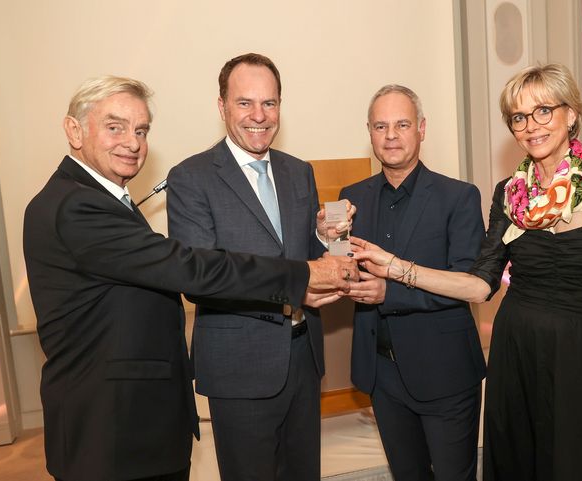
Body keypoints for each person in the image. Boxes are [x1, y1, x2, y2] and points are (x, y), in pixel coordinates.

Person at [22, 75, 357, 481]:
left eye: (141, 130)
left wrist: (324, 242)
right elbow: (193, 268)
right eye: (115, 127)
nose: (132, 142)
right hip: (112, 425)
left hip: (142, 416)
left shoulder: (101, 199)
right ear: (74, 130)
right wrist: (302, 275)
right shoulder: (78, 207)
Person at [352, 64, 582, 481]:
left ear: (571, 114)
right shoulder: (510, 192)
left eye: (543, 111)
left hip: (580, 357)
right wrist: (396, 267)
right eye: (518, 117)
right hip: (514, 357)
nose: (531, 126)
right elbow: (479, 285)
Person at [166, 53, 353, 481]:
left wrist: (327, 237)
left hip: (304, 356)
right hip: (240, 363)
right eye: (245, 102)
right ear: (222, 106)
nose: (259, 116)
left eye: (269, 103)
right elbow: (200, 278)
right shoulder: (191, 177)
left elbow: (306, 257)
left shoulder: (297, 171)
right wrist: (299, 280)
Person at [340, 84, 486, 481]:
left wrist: (390, 292)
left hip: (445, 369)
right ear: (369, 132)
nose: (391, 136)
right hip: (381, 372)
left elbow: (467, 282)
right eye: (381, 126)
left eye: (402, 124)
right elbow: (340, 271)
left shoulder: (459, 197)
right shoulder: (349, 198)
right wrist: (324, 238)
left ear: (421, 128)